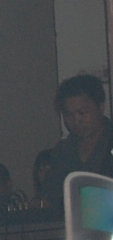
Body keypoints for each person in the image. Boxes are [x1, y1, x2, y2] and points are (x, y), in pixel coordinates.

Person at [40, 73, 113, 202]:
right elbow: (52, 195)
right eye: (68, 114)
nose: (76, 120)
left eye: (82, 113)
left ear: (101, 107)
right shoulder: (62, 151)